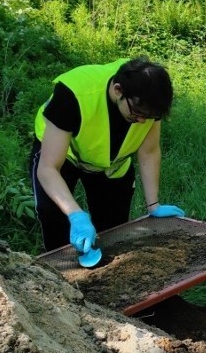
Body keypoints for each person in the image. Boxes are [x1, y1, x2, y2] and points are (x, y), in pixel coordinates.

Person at [31, 57, 184, 254]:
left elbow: (149, 152)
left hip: (111, 164)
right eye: (137, 113)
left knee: (114, 231)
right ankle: (59, 276)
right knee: (54, 217)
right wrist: (76, 214)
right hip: (64, 154)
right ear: (118, 90)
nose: (142, 120)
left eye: (149, 116)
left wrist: (153, 204)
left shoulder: (147, 97)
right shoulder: (73, 93)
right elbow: (48, 169)